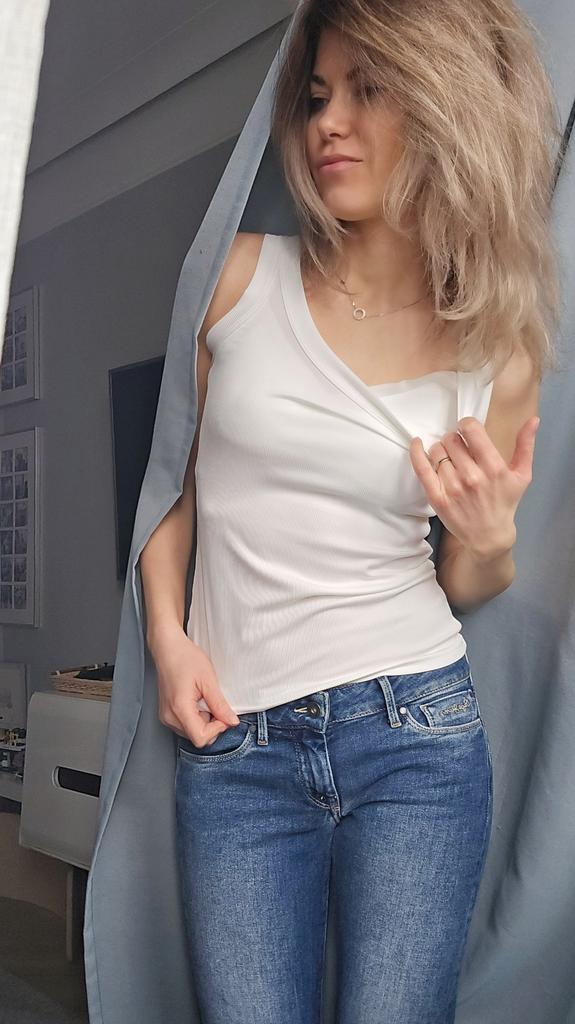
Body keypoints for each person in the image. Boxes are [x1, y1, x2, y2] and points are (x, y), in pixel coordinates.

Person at [138, 1, 561, 1021]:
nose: (329, 122)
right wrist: (167, 641)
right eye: (318, 95)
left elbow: (466, 579)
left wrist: (490, 538)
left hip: (416, 734)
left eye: (369, 91)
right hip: (238, 750)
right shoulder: (234, 277)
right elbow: (170, 493)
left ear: (444, 109)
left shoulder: (494, 346)